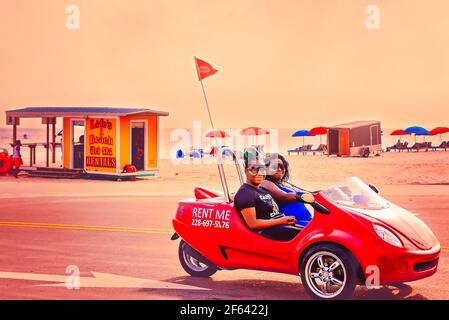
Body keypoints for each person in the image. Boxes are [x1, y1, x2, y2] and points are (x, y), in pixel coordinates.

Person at [233, 150, 301, 241]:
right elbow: (252, 224)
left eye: (262, 169)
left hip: (279, 226)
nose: (259, 173)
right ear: (246, 171)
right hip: (266, 234)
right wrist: (281, 220)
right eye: (253, 169)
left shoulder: (262, 190)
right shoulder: (245, 193)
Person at [260, 153, 313, 226]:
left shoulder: (284, 184)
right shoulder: (265, 182)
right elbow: (284, 197)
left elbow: (310, 193)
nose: (279, 169)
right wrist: (305, 197)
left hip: (307, 220)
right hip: (293, 223)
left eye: (282, 166)